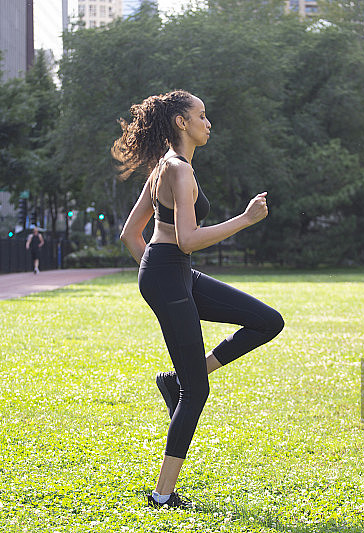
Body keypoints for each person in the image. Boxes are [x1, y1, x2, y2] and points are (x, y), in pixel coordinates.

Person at [114, 90, 284, 509]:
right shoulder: (177, 172)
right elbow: (188, 239)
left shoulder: (166, 168)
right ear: (181, 123)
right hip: (171, 273)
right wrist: (245, 220)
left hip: (172, 272)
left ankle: (177, 379)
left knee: (267, 321)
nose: (208, 123)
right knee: (198, 392)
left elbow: (131, 236)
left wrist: (156, 274)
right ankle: (162, 495)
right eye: (201, 116)